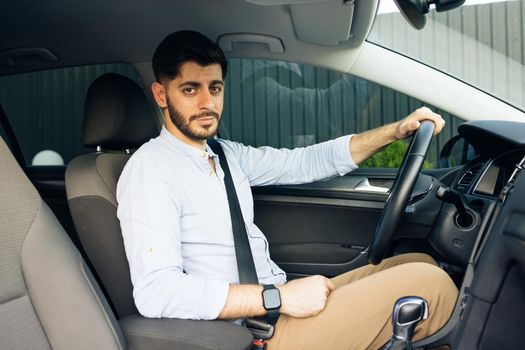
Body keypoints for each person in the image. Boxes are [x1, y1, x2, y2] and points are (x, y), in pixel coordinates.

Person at [116, 30, 458, 350]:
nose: (207, 103)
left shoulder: (223, 153)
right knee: (430, 284)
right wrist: (277, 297)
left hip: (276, 310)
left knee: (418, 261)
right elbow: (156, 292)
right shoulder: (151, 170)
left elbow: (305, 162)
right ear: (161, 94)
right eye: (190, 89)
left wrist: (394, 131)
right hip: (252, 332)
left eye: (215, 88)